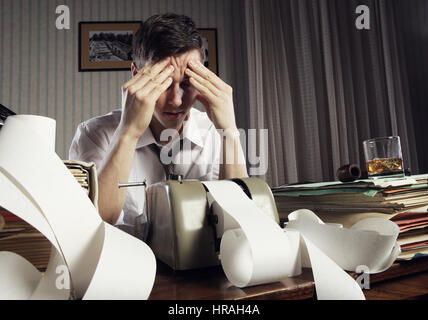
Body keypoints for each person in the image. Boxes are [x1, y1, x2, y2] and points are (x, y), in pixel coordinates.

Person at [69, 13, 248, 236]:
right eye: (163, 83)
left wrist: (229, 132)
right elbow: (94, 224)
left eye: (186, 83)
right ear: (136, 75)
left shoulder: (214, 134)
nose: (176, 100)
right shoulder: (93, 134)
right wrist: (128, 133)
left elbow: (240, 222)